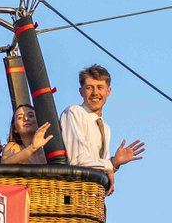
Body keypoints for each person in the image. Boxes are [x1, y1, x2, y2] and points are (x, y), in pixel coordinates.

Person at [58, 63, 144, 194]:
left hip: (91, 196)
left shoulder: (105, 128)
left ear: (108, 91)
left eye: (100, 87)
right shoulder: (75, 112)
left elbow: (101, 165)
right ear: (81, 91)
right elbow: (76, 161)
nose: (95, 93)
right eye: (89, 88)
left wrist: (113, 166)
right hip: (73, 191)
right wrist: (111, 164)